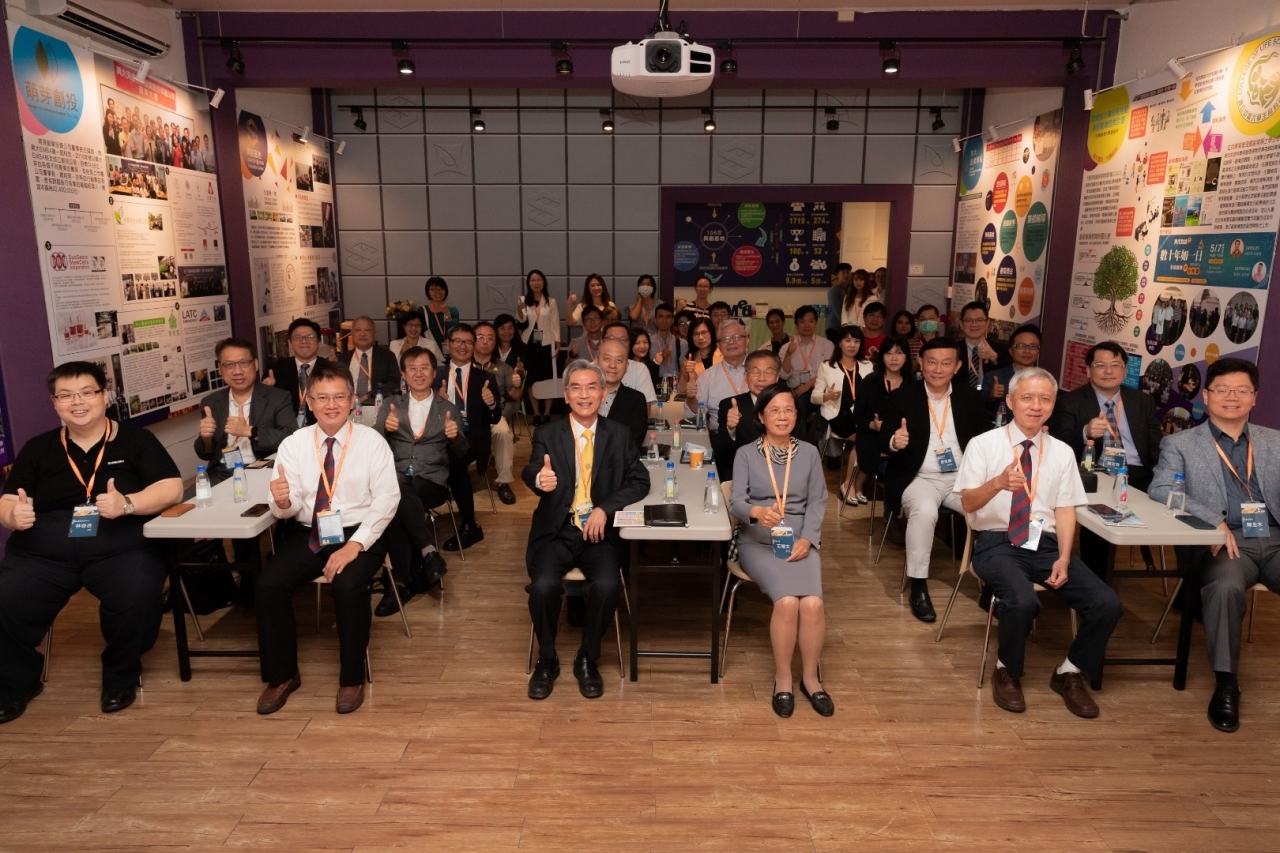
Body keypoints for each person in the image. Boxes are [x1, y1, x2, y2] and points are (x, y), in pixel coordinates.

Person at [0, 362, 183, 723]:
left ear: (105, 395)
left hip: (121, 547)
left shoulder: (136, 440)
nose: (77, 402)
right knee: (4, 598)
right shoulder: (38, 448)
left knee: (137, 594)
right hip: (44, 554)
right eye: (66, 395)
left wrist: (127, 503)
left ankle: (120, 676)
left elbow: (171, 488)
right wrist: (12, 516)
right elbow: (8, 501)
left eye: (87, 392)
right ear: (54, 402)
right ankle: (16, 683)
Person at [956, 367, 1123, 718]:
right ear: (1010, 401)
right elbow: (968, 503)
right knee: (1022, 601)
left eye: (1045, 399)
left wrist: (1064, 556)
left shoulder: (1061, 452)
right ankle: (1007, 669)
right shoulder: (983, 445)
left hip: (1045, 544)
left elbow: (1065, 510)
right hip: (996, 542)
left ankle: (1070, 671)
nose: (1036, 406)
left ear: (1053, 404)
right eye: (1028, 398)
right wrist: (997, 483)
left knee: (1107, 603)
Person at [255, 361, 400, 716]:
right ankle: (282, 675)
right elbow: (286, 506)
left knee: (348, 588)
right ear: (308, 401)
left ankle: (351, 679)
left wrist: (354, 546)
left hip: (359, 532)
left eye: (338, 397)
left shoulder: (372, 442)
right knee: (268, 585)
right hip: (309, 532)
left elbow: (387, 500)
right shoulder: (294, 444)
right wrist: (282, 502)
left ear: (352, 400)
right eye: (322, 397)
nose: (331, 405)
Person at [1148, 358, 1280, 733]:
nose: (1231, 397)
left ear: (1255, 397)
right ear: (1206, 396)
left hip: (1274, 537)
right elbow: (1161, 488)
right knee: (1224, 588)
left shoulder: (1275, 441)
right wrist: (1212, 520)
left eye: (1241, 390)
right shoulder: (1180, 443)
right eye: (1222, 389)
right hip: (1225, 543)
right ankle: (1226, 683)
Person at [522, 360, 649, 700]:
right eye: (576, 387)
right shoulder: (549, 434)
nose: (584, 394)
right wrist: (539, 479)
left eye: (592, 387)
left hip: (599, 533)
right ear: (566, 395)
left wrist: (605, 509)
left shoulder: (619, 434)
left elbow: (640, 480)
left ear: (603, 393)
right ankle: (547, 659)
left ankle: (587, 658)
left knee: (607, 586)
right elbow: (531, 469)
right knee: (543, 587)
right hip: (557, 530)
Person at [729, 383, 833, 718]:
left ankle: (811, 679)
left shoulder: (809, 453)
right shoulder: (746, 453)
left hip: (800, 541)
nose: (782, 416)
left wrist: (809, 539)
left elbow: (818, 500)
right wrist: (756, 512)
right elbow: (736, 502)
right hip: (758, 541)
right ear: (761, 416)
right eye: (774, 410)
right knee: (787, 602)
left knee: (813, 604)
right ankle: (783, 678)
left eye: (789, 409)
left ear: (797, 415)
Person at [881, 338, 988, 622]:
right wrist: (894, 440)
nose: (938, 369)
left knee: (992, 509)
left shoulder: (969, 398)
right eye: (931, 362)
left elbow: (985, 439)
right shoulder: (902, 397)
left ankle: (992, 580)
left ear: (957, 366)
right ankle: (918, 585)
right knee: (925, 510)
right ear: (920, 363)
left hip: (962, 480)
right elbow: (883, 437)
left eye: (945, 363)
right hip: (919, 478)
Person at [374, 347, 462, 615]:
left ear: (434, 373)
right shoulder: (391, 405)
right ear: (403, 374)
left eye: (424, 368)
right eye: (412, 368)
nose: (419, 373)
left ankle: (398, 585)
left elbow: (461, 452)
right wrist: (384, 429)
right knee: (397, 497)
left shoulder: (448, 408)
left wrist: (455, 437)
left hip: (431, 480)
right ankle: (427, 553)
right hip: (397, 475)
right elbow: (373, 444)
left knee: (394, 503)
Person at [195, 338, 297, 485]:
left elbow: (290, 436)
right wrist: (206, 439)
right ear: (220, 369)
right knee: (193, 497)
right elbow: (205, 454)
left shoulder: (278, 397)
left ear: (255, 364)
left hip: (263, 467)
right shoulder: (211, 402)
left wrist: (249, 431)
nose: (237, 371)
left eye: (243, 363)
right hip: (223, 471)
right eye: (229, 365)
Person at [437, 323, 502, 550]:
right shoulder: (435, 375)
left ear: (474, 346)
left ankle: (469, 525)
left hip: (472, 439)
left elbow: (495, 417)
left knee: (454, 460)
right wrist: (436, 401)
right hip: (438, 437)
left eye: (468, 342)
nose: (462, 346)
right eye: (457, 341)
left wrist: (491, 403)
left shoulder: (485, 378)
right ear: (448, 344)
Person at [851, 334, 913, 504]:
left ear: (906, 357)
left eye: (899, 353)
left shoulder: (912, 384)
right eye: (889, 353)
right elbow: (857, 416)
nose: (894, 358)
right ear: (882, 357)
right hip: (872, 437)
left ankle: (897, 504)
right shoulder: (870, 381)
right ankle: (890, 506)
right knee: (887, 466)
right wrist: (872, 425)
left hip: (902, 440)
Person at [812, 325, 873, 495]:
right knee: (866, 441)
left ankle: (855, 485)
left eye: (856, 341)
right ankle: (849, 484)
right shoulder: (827, 366)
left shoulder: (867, 365)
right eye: (847, 340)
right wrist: (827, 396)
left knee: (872, 440)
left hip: (861, 415)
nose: (852, 345)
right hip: (838, 415)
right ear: (839, 343)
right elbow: (814, 397)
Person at [715, 351, 787, 479]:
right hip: (744, 477)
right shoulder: (730, 405)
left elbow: (801, 449)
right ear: (746, 377)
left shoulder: (790, 406)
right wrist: (730, 428)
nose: (761, 378)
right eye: (755, 372)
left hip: (783, 476)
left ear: (777, 378)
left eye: (768, 372)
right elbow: (721, 451)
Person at [473, 321, 521, 505]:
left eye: (490, 338)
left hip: (493, 414)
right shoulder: (463, 364)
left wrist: (517, 385)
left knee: (504, 432)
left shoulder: (504, 368)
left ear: (495, 342)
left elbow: (515, 396)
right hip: (465, 415)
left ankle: (504, 483)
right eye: (480, 337)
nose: (485, 341)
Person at [515, 269, 560, 425]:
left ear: (544, 282)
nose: (536, 283)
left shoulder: (551, 301)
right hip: (528, 344)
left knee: (547, 379)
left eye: (539, 279)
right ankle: (536, 413)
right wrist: (520, 308)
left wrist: (557, 344)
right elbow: (521, 322)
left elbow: (555, 324)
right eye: (533, 280)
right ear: (528, 283)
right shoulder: (523, 300)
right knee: (531, 380)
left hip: (546, 344)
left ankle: (546, 413)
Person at [262, 317, 325, 427]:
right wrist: (266, 390)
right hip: (285, 430)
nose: (304, 341)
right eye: (298, 337)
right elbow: (265, 409)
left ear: (319, 341)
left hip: (321, 427)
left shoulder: (330, 369)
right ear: (290, 342)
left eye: (310, 337)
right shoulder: (276, 369)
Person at [686, 319, 748, 430]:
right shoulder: (708, 376)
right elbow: (695, 414)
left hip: (757, 435)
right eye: (725, 339)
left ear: (747, 340)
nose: (731, 342)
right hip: (720, 435)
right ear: (718, 345)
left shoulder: (761, 371)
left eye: (737, 337)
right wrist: (691, 398)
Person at [780, 305, 834, 430]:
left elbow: (828, 371)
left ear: (816, 323)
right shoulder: (786, 347)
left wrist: (808, 385)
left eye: (811, 321)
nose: (807, 325)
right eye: (802, 321)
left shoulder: (827, 345)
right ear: (796, 324)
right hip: (797, 390)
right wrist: (788, 354)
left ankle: (802, 438)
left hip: (821, 388)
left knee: (799, 408)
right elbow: (784, 375)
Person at [598, 338, 648, 449]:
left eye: (619, 360)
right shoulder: (579, 396)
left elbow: (633, 443)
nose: (612, 365)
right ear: (596, 362)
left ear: (626, 366)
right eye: (607, 359)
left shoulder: (636, 400)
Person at [338, 316, 400, 404]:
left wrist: (370, 394)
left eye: (367, 330)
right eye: (358, 330)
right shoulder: (342, 359)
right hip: (347, 404)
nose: (362, 334)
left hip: (375, 404)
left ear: (375, 334)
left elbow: (394, 383)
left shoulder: (387, 356)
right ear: (352, 333)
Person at [985, 324, 1042, 419]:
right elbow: (982, 409)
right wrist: (991, 395)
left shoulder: (1046, 381)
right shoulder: (993, 377)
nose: (1027, 351)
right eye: (1021, 346)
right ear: (1011, 351)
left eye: (1033, 346)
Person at [957, 301, 1011, 391]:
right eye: (968, 320)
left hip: (989, 398)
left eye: (979, 320)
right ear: (961, 324)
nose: (974, 324)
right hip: (960, 397)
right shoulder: (953, 350)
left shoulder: (1001, 349)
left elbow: (1010, 372)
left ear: (987, 323)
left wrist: (994, 357)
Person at [421, 276, 459, 351]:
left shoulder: (453, 311)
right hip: (429, 350)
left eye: (441, 288)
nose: (438, 292)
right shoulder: (422, 311)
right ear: (428, 292)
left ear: (446, 291)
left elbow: (455, 331)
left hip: (449, 349)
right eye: (433, 289)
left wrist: (447, 314)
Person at [824, 263, 853, 343]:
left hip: (845, 326)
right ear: (837, 275)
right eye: (843, 272)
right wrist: (848, 324)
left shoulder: (851, 290)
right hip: (834, 327)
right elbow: (837, 311)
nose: (846, 275)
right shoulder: (834, 290)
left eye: (848, 272)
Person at [650, 302, 680, 379]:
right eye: (660, 317)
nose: (664, 320)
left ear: (673, 320)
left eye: (668, 317)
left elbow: (683, 369)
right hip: (655, 382)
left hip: (675, 382)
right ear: (655, 320)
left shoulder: (681, 344)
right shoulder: (648, 343)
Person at [911, 304, 944, 371]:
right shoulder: (909, 344)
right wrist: (915, 363)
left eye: (931, 318)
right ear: (918, 322)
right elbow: (903, 370)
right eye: (923, 319)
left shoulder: (946, 344)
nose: (927, 322)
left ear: (938, 320)